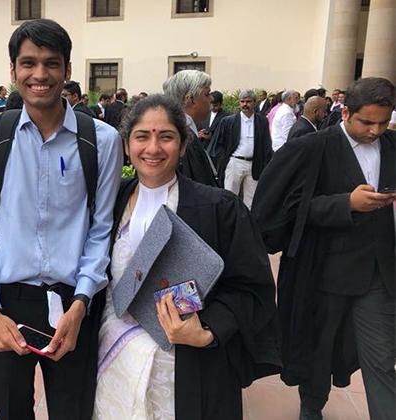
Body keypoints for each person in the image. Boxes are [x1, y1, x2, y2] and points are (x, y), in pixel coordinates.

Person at [0, 19, 122, 420]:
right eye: (28, 63)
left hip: (73, 303)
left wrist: (82, 303)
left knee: (73, 411)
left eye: (51, 63)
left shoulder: (100, 140)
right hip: (7, 302)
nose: (40, 75)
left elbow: (101, 228)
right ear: (13, 70)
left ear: (68, 71)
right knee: (11, 411)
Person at [94, 94, 280, 419]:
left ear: (183, 146)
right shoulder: (109, 201)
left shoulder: (219, 209)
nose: (153, 149)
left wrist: (207, 331)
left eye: (166, 136)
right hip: (112, 363)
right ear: (126, 145)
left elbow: (252, 289)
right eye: (142, 136)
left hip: (186, 368)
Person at [252, 77, 396, 420]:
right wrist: (345, 203)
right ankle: (311, 407)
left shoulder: (392, 147)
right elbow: (277, 211)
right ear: (345, 111)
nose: (375, 131)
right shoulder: (311, 147)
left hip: (378, 274)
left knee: (381, 357)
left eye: (383, 122)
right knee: (318, 349)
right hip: (322, 274)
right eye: (366, 122)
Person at [208, 89, 273, 208]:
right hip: (235, 163)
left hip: (254, 164)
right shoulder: (228, 121)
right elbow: (218, 144)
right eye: (242, 101)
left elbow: (266, 144)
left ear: (254, 102)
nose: (245, 104)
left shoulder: (262, 121)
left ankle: (246, 224)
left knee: (251, 200)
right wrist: (224, 161)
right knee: (229, 197)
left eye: (248, 101)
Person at [163, 69, 219, 187]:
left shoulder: (183, 132)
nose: (211, 99)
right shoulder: (183, 139)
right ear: (190, 99)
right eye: (207, 94)